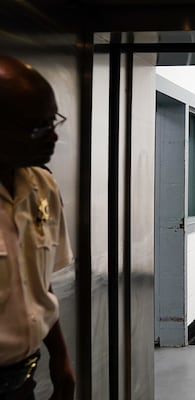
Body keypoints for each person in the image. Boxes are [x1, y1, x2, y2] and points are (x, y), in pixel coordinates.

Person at [0, 55, 75, 400]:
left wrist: (59, 359)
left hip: (23, 379)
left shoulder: (42, 186)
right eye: (37, 127)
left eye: (53, 122)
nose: (52, 137)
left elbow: (36, 286)